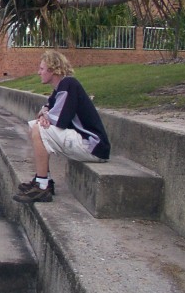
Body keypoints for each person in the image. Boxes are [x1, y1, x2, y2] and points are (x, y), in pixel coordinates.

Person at [13, 50, 111, 204]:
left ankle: (42, 186)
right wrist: (44, 115)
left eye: (42, 69)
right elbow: (45, 109)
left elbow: (60, 120)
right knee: (34, 127)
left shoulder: (68, 84)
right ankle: (46, 181)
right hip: (86, 144)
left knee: (38, 128)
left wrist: (45, 117)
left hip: (93, 145)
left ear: (52, 70)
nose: (39, 72)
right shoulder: (59, 89)